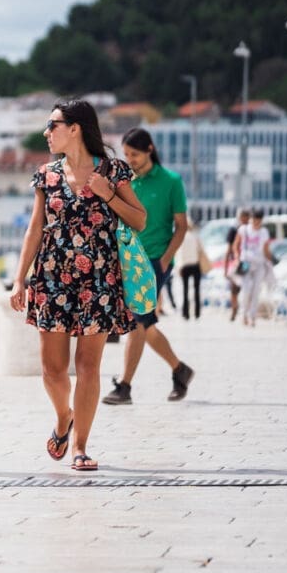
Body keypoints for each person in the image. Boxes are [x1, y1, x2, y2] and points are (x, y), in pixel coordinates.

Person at [9, 100, 145, 472]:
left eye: (52, 125)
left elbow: (140, 220)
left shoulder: (113, 171)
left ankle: (80, 446)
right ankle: (63, 417)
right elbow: (35, 229)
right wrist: (19, 279)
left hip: (99, 278)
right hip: (52, 278)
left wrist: (108, 194)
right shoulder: (46, 175)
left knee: (88, 366)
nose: (46, 132)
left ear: (75, 128)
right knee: (52, 371)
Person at [102, 128, 195, 406]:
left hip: (155, 260)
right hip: (127, 260)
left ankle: (125, 386)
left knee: (137, 322)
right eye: (126, 154)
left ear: (150, 150)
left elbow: (181, 227)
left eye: (135, 154)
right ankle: (179, 369)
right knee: (145, 323)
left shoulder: (171, 181)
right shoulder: (125, 181)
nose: (130, 159)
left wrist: (165, 260)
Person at [232, 209, 274, 327]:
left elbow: (266, 249)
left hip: (259, 264)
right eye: (254, 221)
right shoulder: (244, 229)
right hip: (246, 263)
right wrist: (237, 258)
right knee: (246, 290)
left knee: (256, 291)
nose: (256, 223)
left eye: (258, 221)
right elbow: (236, 245)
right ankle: (243, 314)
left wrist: (271, 261)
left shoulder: (264, 232)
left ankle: (252, 317)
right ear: (251, 219)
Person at [176, 214, 207, 319]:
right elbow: (200, 250)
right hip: (195, 265)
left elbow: (179, 254)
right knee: (197, 289)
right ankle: (197, 312)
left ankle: (186, 313)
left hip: (184, 266)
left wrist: (179, 267)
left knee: (185, 290)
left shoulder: (181, 237)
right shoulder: (195, 236)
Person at [224, 209, 250, 321]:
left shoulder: (251, 231)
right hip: (236, 263)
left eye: (246, 217)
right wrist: (225, 268)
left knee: (246, 287)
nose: (245, 219)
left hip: (248, 263)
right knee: (234, 289)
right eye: (243, 217)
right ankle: (235, 308)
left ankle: (244, 311)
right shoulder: (234, 230)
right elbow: (229, 250)